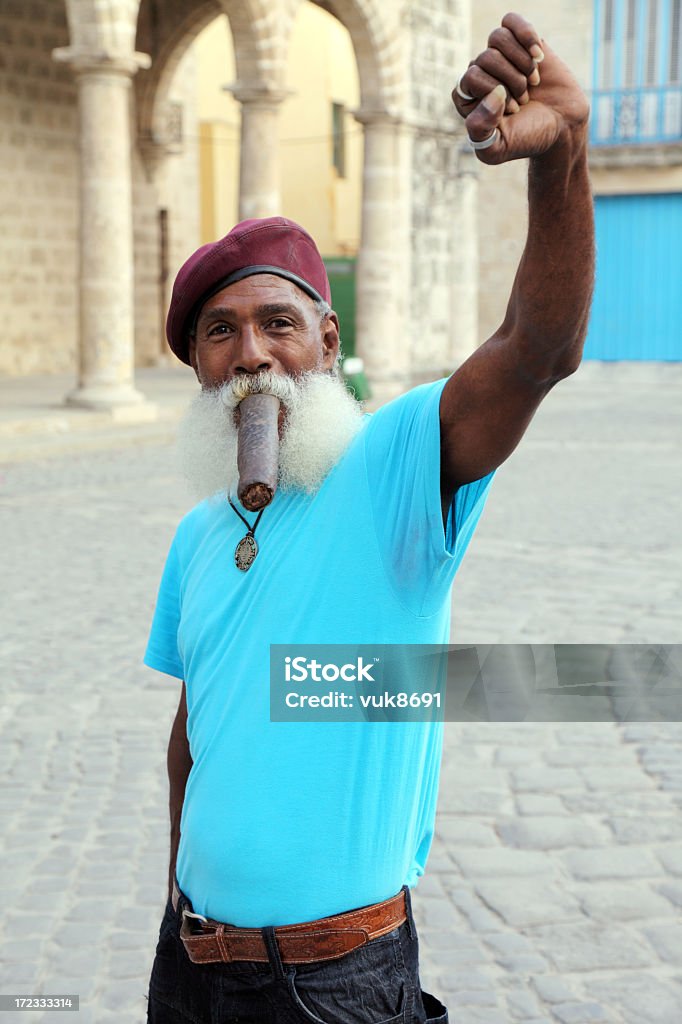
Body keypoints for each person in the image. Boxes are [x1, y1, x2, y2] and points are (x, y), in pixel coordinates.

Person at [143, 12, 594, 1023]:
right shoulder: (197, 535)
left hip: (334, 985)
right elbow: (193, 729)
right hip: (192, 966)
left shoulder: (392, 468)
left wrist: (560, 155)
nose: (250, 353)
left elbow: (537, 346)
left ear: (326, 338)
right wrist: (179, 896)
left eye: (277, 323)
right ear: (198, 368)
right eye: (220, 333)